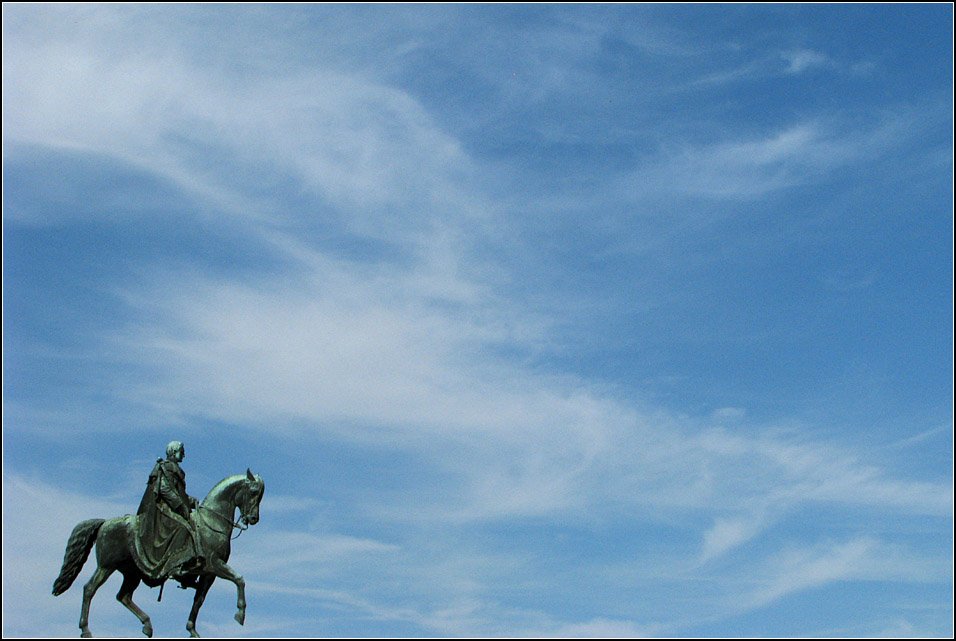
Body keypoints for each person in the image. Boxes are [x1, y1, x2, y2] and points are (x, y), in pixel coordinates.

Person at [133, 441, 204, 583]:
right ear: (173, 452)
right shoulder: (165, 468)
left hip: (173, 506)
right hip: (162, 508)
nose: (183, 454)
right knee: (182, 528)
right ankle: (174, 565)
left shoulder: (176, 469)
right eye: (181, 451)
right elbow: (165, 490)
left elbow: (179, 493)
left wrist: (190, 501)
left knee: (195, 526)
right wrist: (180, 506)